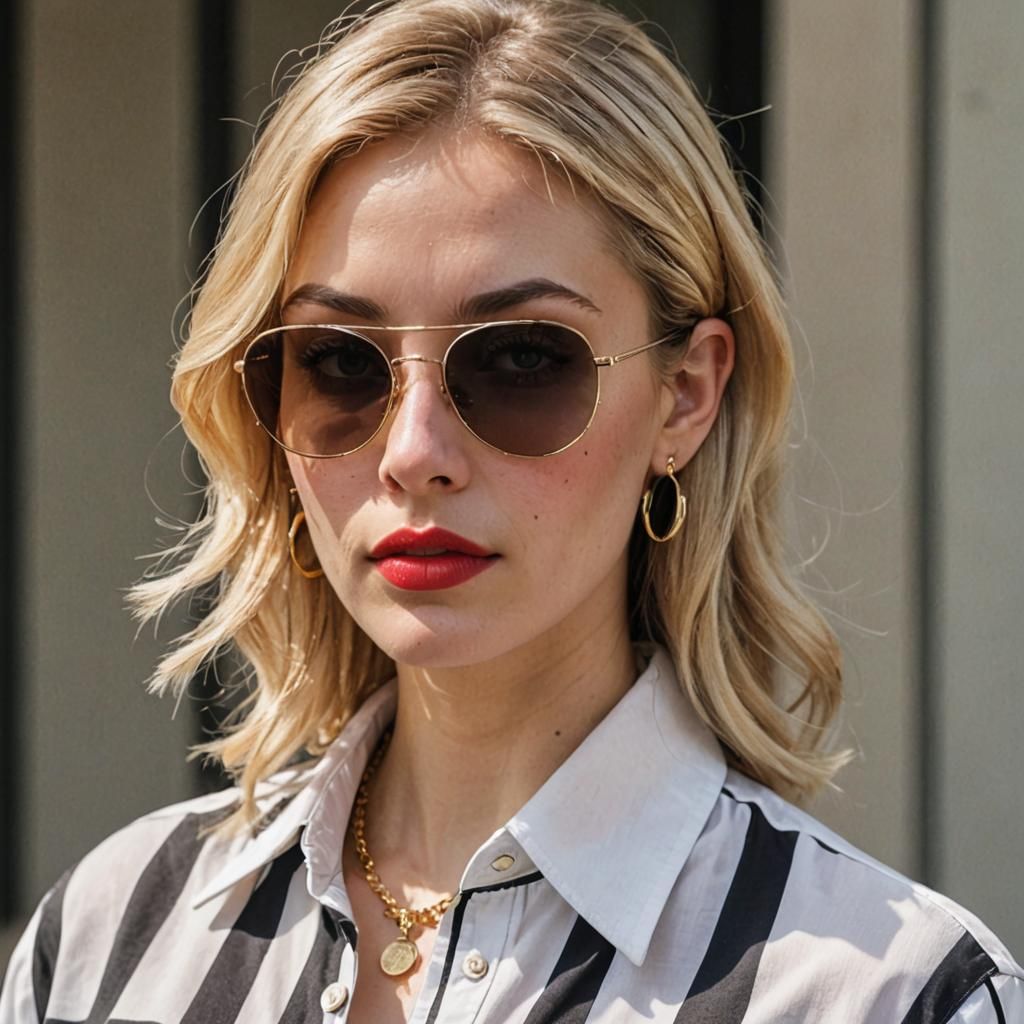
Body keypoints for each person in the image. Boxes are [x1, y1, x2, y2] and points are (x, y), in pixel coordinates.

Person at [1, 0, 1020, 1021]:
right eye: (340, 365)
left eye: (522, 360)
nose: (413, 455)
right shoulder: (108, 941)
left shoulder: (889, 995)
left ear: (686, 395)